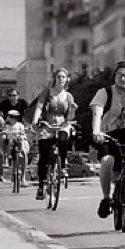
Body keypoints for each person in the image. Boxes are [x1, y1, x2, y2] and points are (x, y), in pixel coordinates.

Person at [89, 60, 125, 219]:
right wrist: (96, 131)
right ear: (114, 76)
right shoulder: (105, 93)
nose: (123, 79)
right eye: (120, 75)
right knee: (107, 161)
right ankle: (106, 198)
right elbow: (97, 112)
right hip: (108, 135)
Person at [29, 67, 79, 200]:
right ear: (54, 79)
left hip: (62, 124)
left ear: (67, 80)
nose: (61, 79)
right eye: (59, 76)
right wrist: (35, 120)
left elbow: (70, 117)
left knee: (63, 139)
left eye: (63, 77)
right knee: (44, 155)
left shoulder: (68, 96)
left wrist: (73, 110)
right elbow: (39, 107)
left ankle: (63, 166)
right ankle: (41, 185)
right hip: (48, 124)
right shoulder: (47, 92)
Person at [0, 110, 29, 186]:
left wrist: (23, 134)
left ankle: (23, 177)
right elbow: (3, 132)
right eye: (9, 117)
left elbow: (23, 133)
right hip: (10, 143)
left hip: (18, 142)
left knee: (24, 152)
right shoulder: (6, 125)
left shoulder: (20, 125)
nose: (10, 119)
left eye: (12, 117)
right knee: (8, 142)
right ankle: (6, 158)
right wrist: (3, 133)